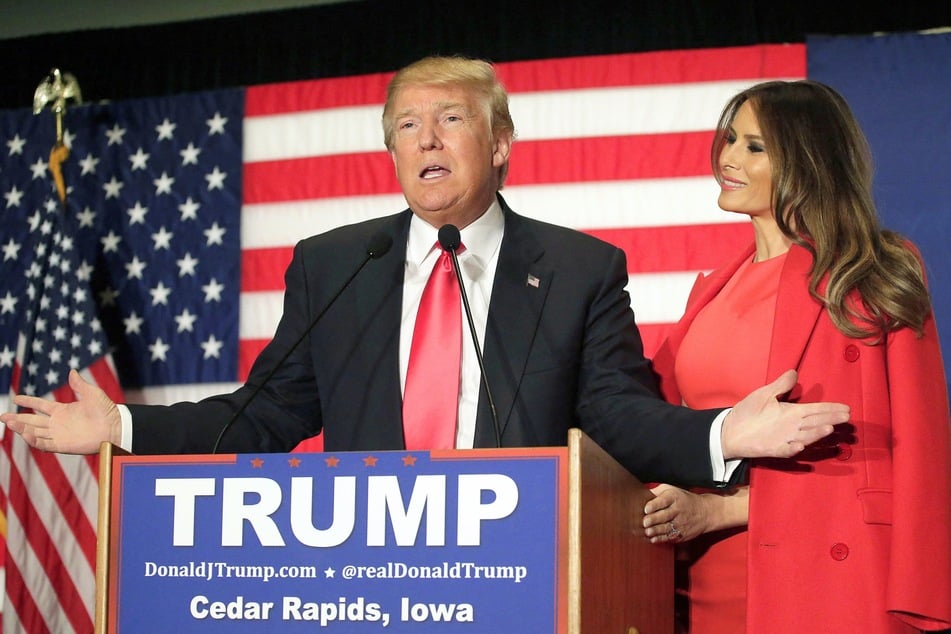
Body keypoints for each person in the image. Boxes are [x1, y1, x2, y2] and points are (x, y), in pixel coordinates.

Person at [1, 57, 847, 490]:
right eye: (407, 125)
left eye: (450, 119)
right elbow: (264, 415)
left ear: (500, 144)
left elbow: (618, 414)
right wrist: (121, 429)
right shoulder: (335, 264)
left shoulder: (578, 269)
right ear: (391, 150)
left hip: (518, 578)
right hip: (372, 577)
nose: (428, 140)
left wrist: (718, 435)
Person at [641, 80, 951, 632]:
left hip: (830, 577)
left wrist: (718, 510)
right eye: (730, 139)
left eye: (754, 147)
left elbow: (903, 447)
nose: (727, 158)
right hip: (708, 575)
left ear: (809, 160)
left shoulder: (873, 272)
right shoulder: (709, 291)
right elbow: (659, 429)